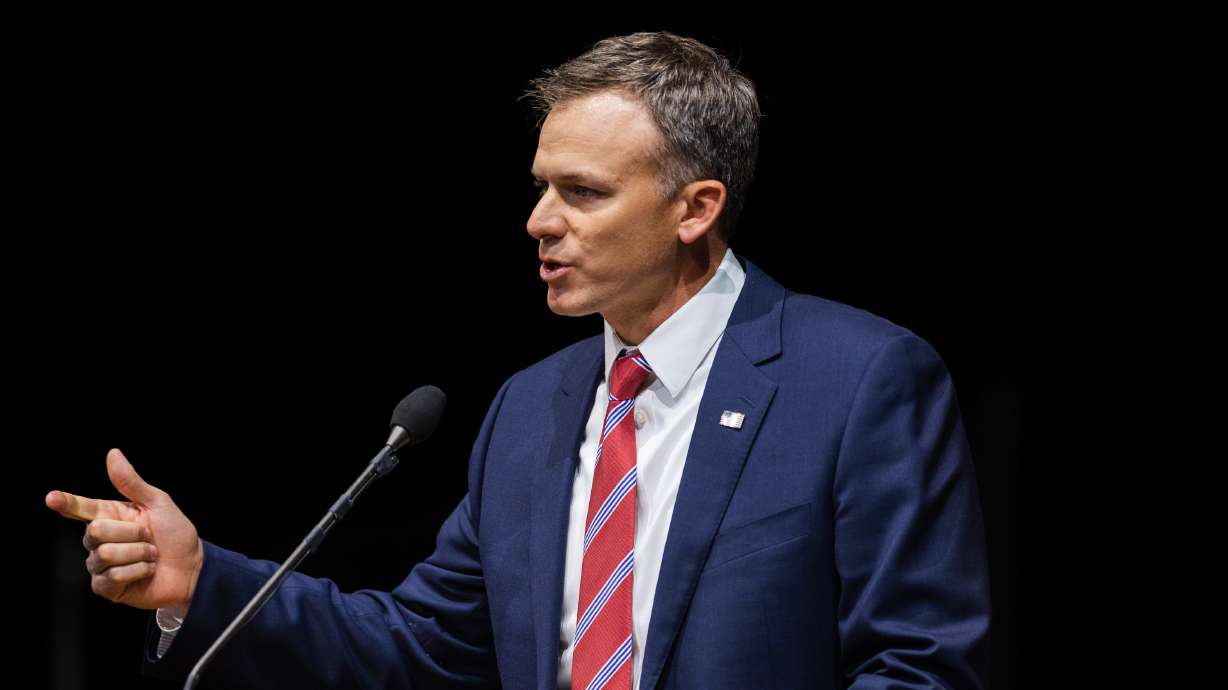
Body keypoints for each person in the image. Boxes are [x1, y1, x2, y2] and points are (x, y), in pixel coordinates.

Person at [45, 31, 991, 689]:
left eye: (582, 193)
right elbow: (424, 650)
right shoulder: (532, 406)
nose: (540, 222)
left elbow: (917, 665)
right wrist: (202, 579)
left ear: (695, 208)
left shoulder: (860, 379)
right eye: (541, 187)